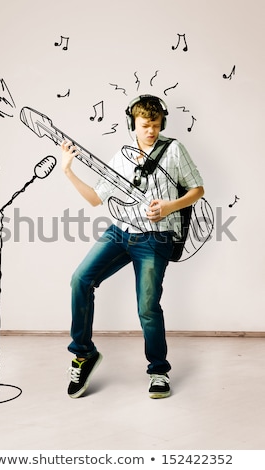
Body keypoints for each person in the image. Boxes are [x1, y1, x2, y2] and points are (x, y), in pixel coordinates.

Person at [61, 95, 204, 399]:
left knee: (147, 307)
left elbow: (197, 189)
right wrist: (68, 171)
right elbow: (95, 199)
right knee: (80, 280)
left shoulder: (174, 150)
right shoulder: (122, 157)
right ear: (133, 125)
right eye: (144, 125)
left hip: (156, 236)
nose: (150, 131)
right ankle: (84, 354)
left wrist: (169, 206)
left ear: (161, 123)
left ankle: (159, 371)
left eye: (155, 125)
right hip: (121, 232)